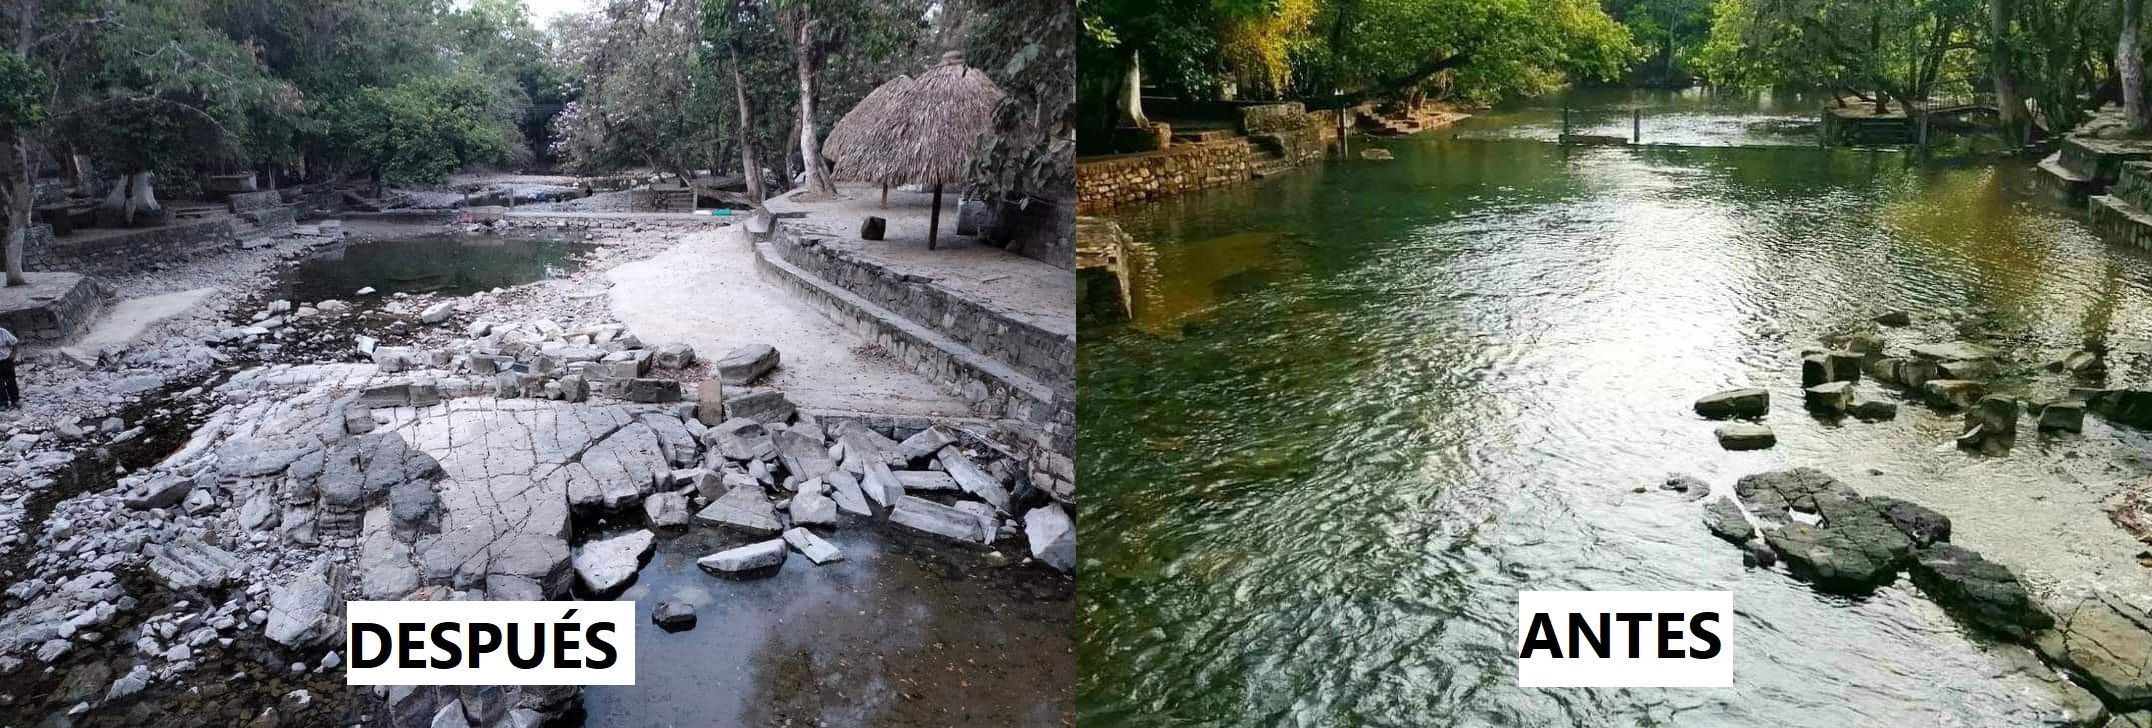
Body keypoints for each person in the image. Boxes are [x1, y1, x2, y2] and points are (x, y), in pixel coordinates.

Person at [0, 325, 16, 410]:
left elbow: (14, 342)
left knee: (11, 381)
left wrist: (13, 354)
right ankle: (3, 403)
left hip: (6, 360)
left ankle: (15, 400)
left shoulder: (2, 332)